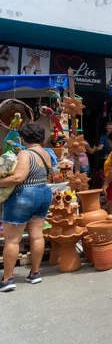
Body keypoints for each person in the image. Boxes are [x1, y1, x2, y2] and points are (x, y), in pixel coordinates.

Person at [0, 124, 53, 291]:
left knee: (13, 239)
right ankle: (34, 273)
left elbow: (18, 177)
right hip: (43, 192)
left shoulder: (25, 153)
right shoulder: (47, 154)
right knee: (37, 235)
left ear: (24, 139)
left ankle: (7, 279)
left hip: (24, 194)